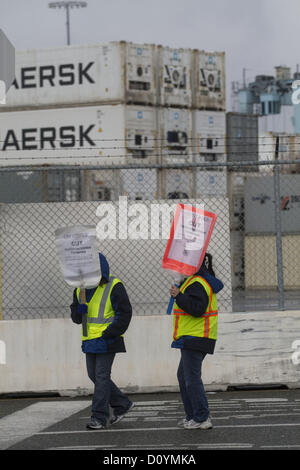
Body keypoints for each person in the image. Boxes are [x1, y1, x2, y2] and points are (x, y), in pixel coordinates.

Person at [70, 252, 134, 430]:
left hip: (107, 340)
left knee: (101, 376)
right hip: (90, 340)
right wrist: (78, 310)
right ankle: (122, 404)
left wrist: (110, 332)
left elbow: (125, 312)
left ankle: (99, 417)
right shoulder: (79, 289)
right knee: (95, 376)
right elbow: (76, 319)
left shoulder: (114, 285)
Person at [169, 253, 223, 430]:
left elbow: (197, 309)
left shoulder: (197, 283)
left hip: (196, 336)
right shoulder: (195, 281)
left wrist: (178, 296)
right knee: (184, 376)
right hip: (195, 336)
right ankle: (194, 415)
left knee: (191, 378)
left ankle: (201, 416)